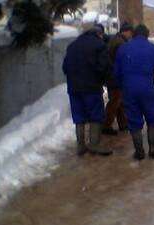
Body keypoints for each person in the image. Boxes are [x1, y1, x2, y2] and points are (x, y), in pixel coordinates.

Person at [114, 24, 154, 160]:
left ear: (133, 34)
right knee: (153, 119)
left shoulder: (123, 49)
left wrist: (123, 87)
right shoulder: (153, 49)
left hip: (129, 90)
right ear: (147, 34)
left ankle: (139, 152)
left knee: (134, 121)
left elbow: (116, 73)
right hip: (148, 89)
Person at [62, 26, 112, 156]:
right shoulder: (99, 45)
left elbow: (65, 67)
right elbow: (104, 67)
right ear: (98, 34)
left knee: (79, 117)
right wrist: (103, 81)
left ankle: (81, 146)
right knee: (96, 115)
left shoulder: (72, 46)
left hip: (73, 88)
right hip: (91, 87)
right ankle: (94, 145)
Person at [102, 23, 134, 135]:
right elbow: (122, 61)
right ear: (126, 31)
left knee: (119, 101)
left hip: (112, 76)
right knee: (115, 101)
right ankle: (106, 125)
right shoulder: (120, 43)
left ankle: (123, 124)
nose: (131, 35)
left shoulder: (116, 40)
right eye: (131, 33)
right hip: (115, 77)